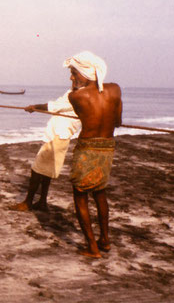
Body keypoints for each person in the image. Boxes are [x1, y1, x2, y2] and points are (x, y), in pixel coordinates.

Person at [64, 51, 122, 258]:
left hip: (87, 148)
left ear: (85, 72)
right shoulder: (115, 89)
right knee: (100, 191)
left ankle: (92, 247)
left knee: (80, 195)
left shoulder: (75, 96)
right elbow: (118, 122)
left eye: (73, 73)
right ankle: (104, 240)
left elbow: (85, 111)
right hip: (107, 146)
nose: (72, 78)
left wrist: (75, 87)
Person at [9, 89, 81, 212]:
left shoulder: (78, 95)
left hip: (59, 135)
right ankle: (42, 202)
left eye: (74, 74)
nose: (72, 78)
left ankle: (28, 202)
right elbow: (57, 105)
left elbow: (55, 106)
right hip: (59, 135)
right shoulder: (74, 92)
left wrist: (34, 107)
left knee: (36, 170)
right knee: (46, 170)